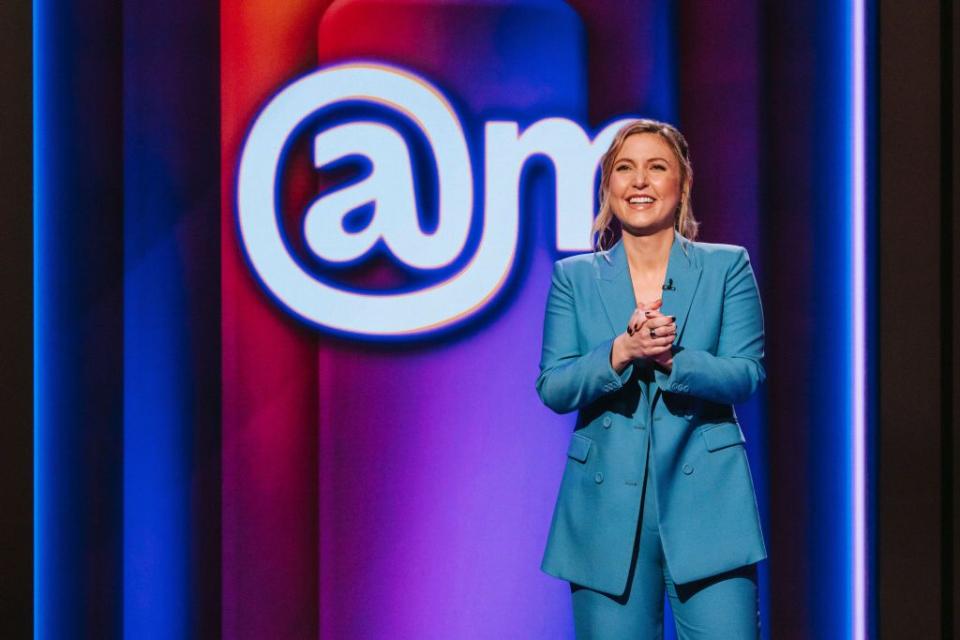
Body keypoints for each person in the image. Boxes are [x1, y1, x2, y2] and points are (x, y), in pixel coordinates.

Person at [535, 119, 766, 639]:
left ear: (681, 184)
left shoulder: (727, 266)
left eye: (656, 167)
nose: (639, 181)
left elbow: (746, 374)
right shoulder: (574, 277)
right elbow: (553, 384)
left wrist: (670, 361)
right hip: (603, 515)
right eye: (625, 168)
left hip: (710, 508)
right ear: (608, 187)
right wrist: (621, 351)